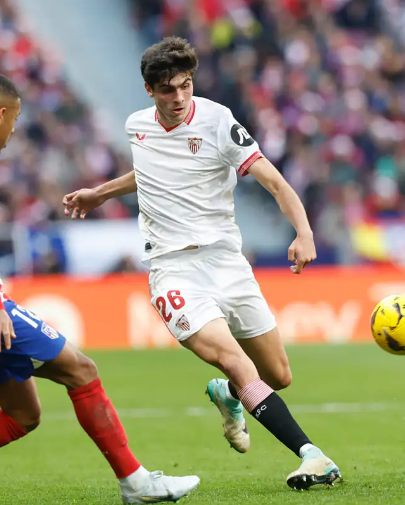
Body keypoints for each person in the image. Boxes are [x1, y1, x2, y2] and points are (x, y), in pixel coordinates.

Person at [0, 71, 199, 505]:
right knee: (82, 372)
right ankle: (137, 485)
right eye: (14, 120)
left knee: (23, 415)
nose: (13, 130)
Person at [63, 36, 341, 490]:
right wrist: (101, 192)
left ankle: (228, 397)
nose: (179, 98)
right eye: (168, 89)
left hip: (228, 261)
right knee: (234, 359)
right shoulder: (137, 126)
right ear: (150, 90)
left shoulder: (217, 121)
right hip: (173, 269)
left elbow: (271, 179)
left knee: (277, 375)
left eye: (185, 86)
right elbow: (150, 170)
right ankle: (312, 455)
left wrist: (304, 231)